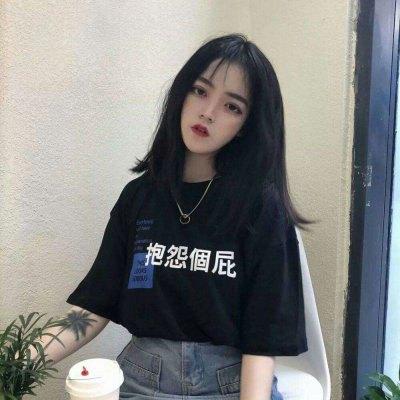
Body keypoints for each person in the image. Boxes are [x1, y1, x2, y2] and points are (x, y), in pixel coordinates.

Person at [49, 33, 315, 399]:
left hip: (231, 384)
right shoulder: (139, 197)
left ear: (247, 126)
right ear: (181, 94)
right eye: (200, 91)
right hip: (140, 380)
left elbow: (261, 338)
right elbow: (93, 306)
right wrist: (18, 361)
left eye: (232, 106)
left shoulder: (261, 208)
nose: (208, 112)